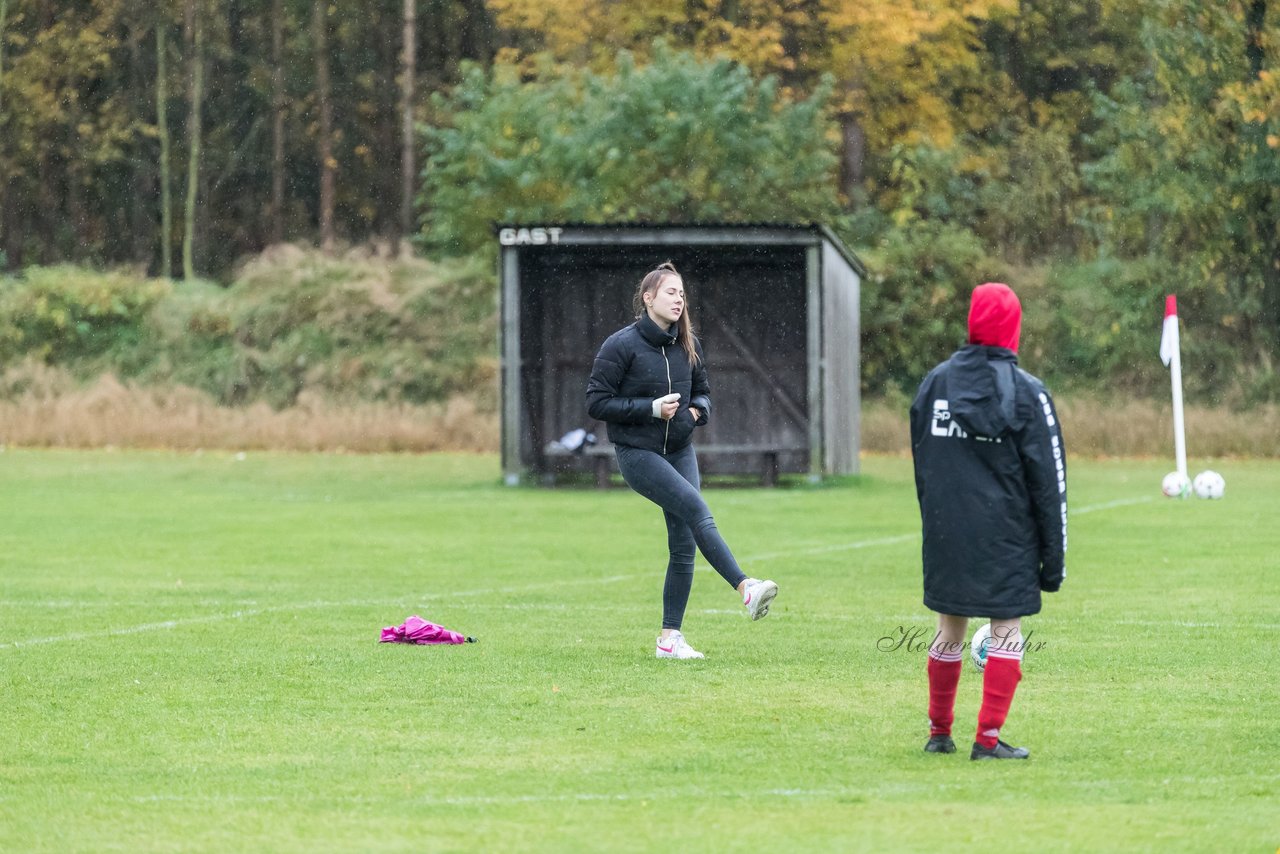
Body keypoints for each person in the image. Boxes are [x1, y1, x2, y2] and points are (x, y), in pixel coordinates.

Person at [586, 261, 778, 660]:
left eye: (682, 294)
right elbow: (596, 402)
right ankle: (745, 588)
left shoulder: (689, 344)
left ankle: (669, 640)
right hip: (638, 454)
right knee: (696, 507)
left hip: (679, 450)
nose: (679, 299)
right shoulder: (620, 345)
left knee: (684, 543)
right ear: (648, 297)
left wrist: (694, 414)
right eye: (671, 292)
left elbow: (704, 392)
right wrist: (649, 409)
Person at [909, 282, 1066, 760]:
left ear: (973, 322)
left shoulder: (935, 383)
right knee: (1006, 632)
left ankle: (940, 733)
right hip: (1006, 537)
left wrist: (937, 519)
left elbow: (923, 461)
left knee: (948, 628)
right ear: (1013, 328)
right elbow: (1049, 485)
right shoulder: (1028, 393)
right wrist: (1053, 565)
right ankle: (989, 740)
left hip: (947, 531)